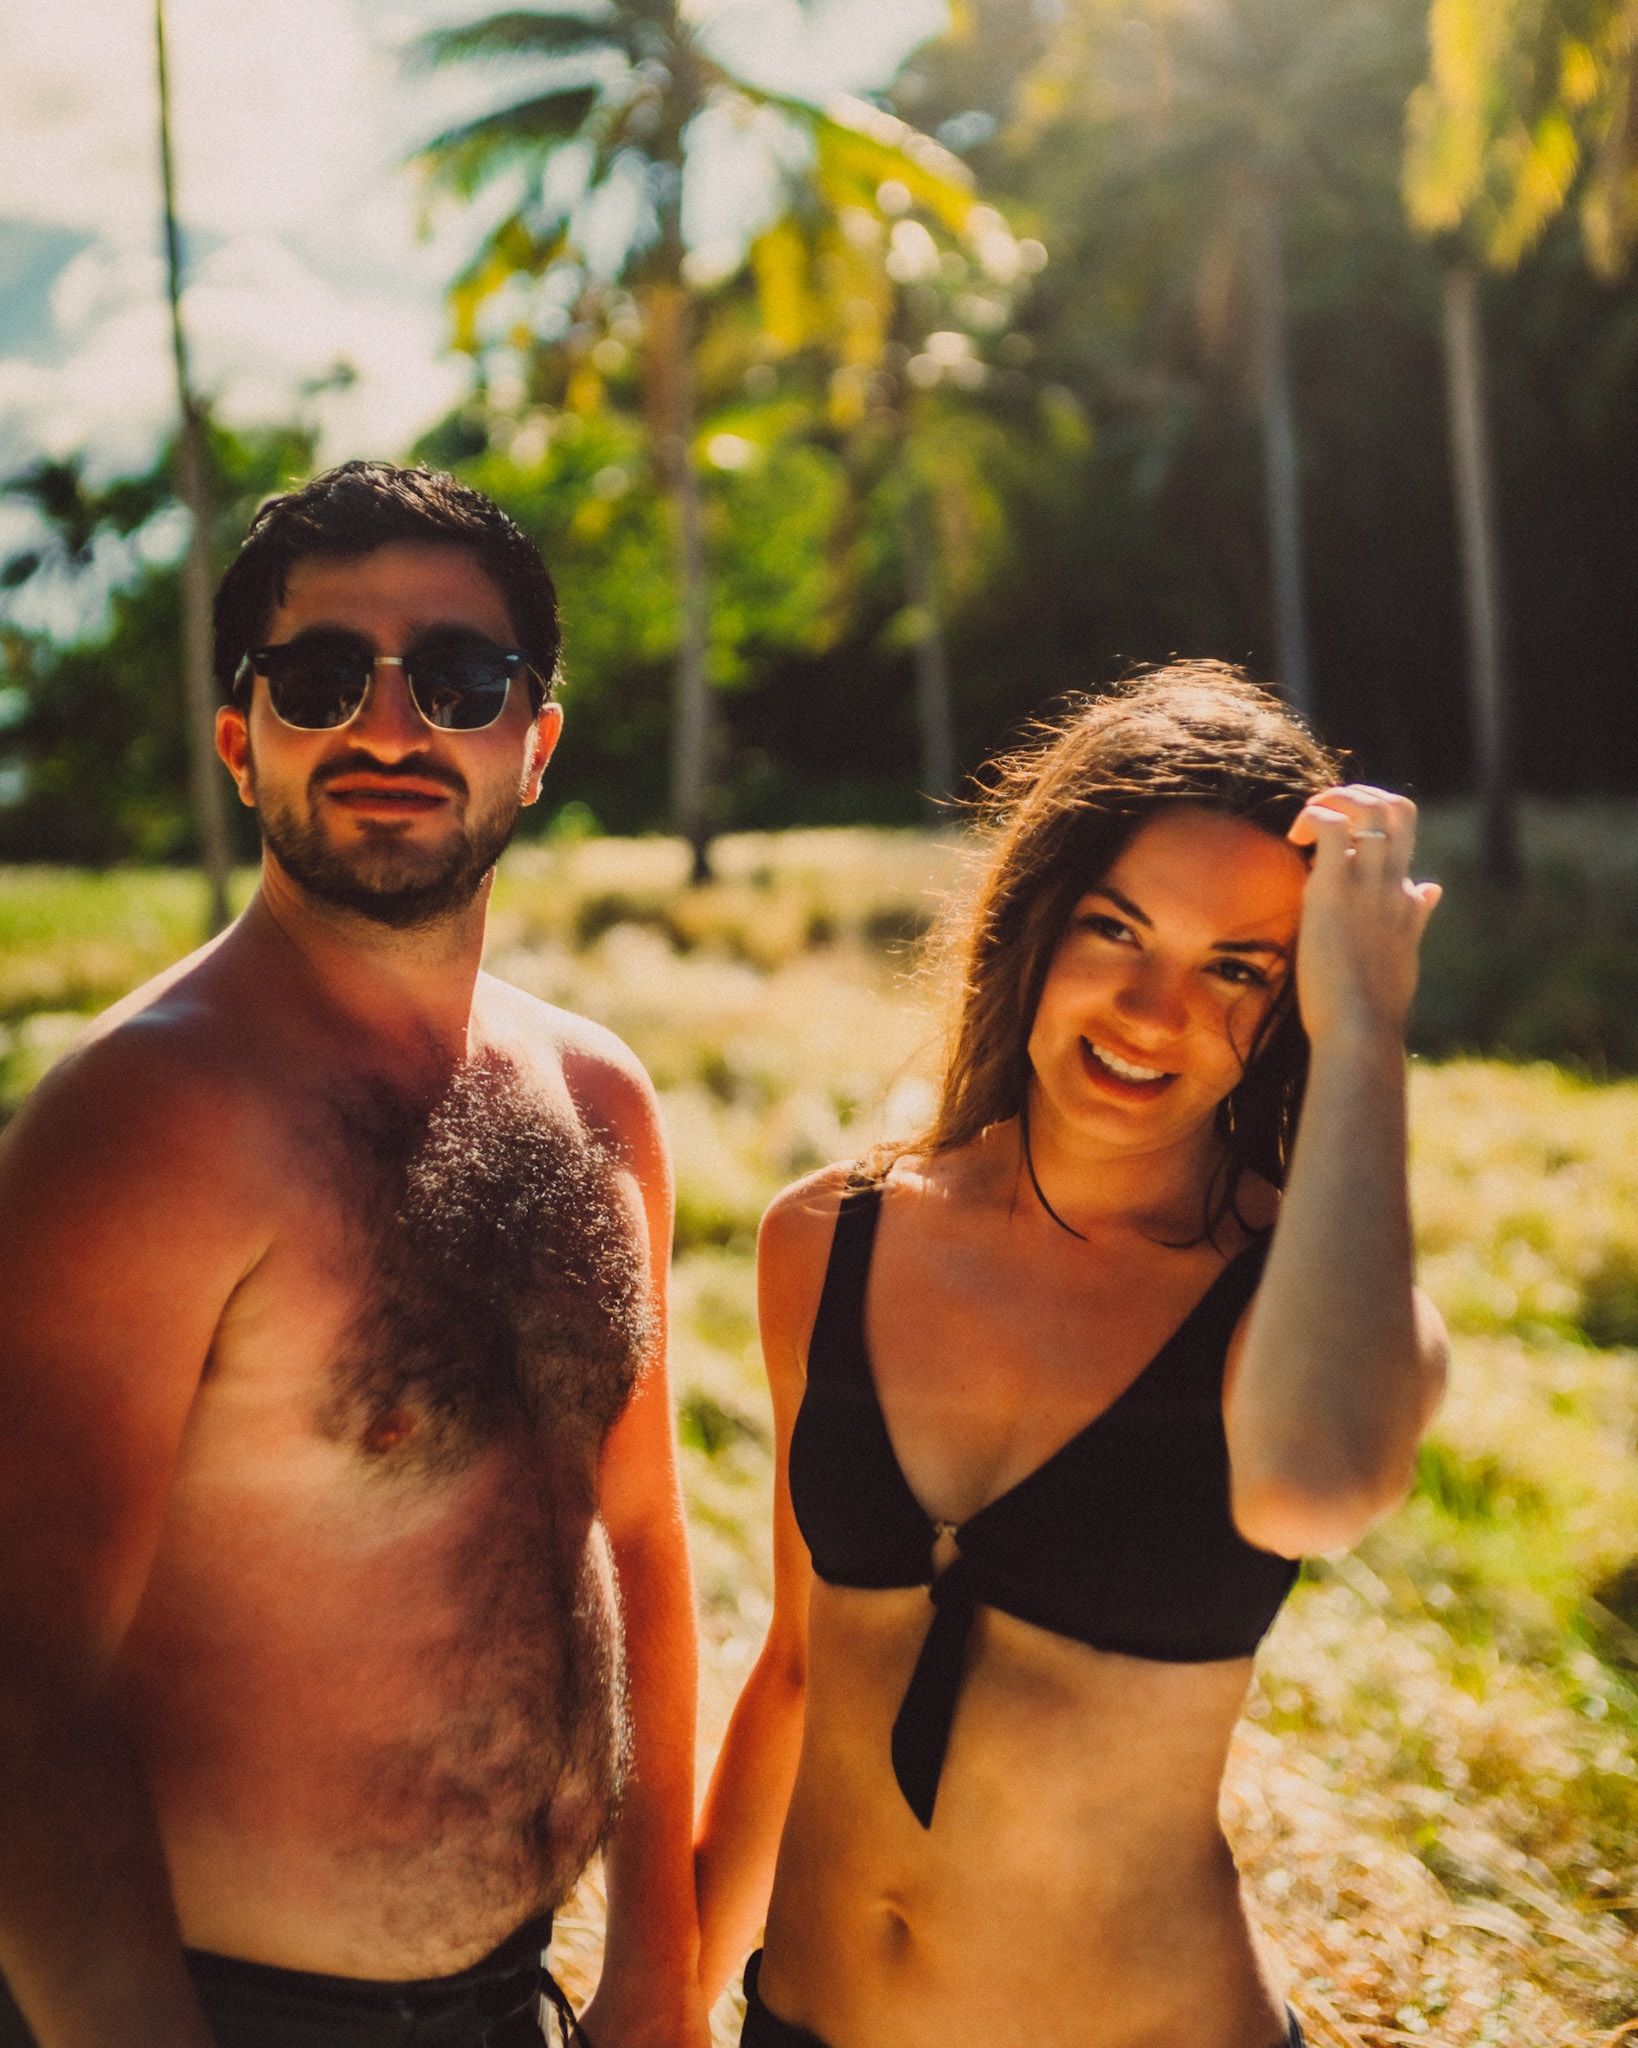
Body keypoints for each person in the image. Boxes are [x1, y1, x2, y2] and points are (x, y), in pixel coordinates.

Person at [0, 463, 709, 2048]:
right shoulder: (145, 1120)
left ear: (531, 746)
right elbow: (26, 1675)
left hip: (516, 1998)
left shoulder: (601, 1101)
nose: (390, 727)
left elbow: (643, 1543)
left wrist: (657, 1972)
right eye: (323, 679)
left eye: (456, 679)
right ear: (242, 739)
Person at [693, 666, 1450, 2048]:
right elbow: (803, 1662)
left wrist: (1366, 1040)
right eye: (1118, 931)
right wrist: (667, 1995)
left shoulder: (1306, 1305)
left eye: (1240, 969)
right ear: (1033, 928)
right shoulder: (827, 1239)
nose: (1152, 1014)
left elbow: (1312, 1490)